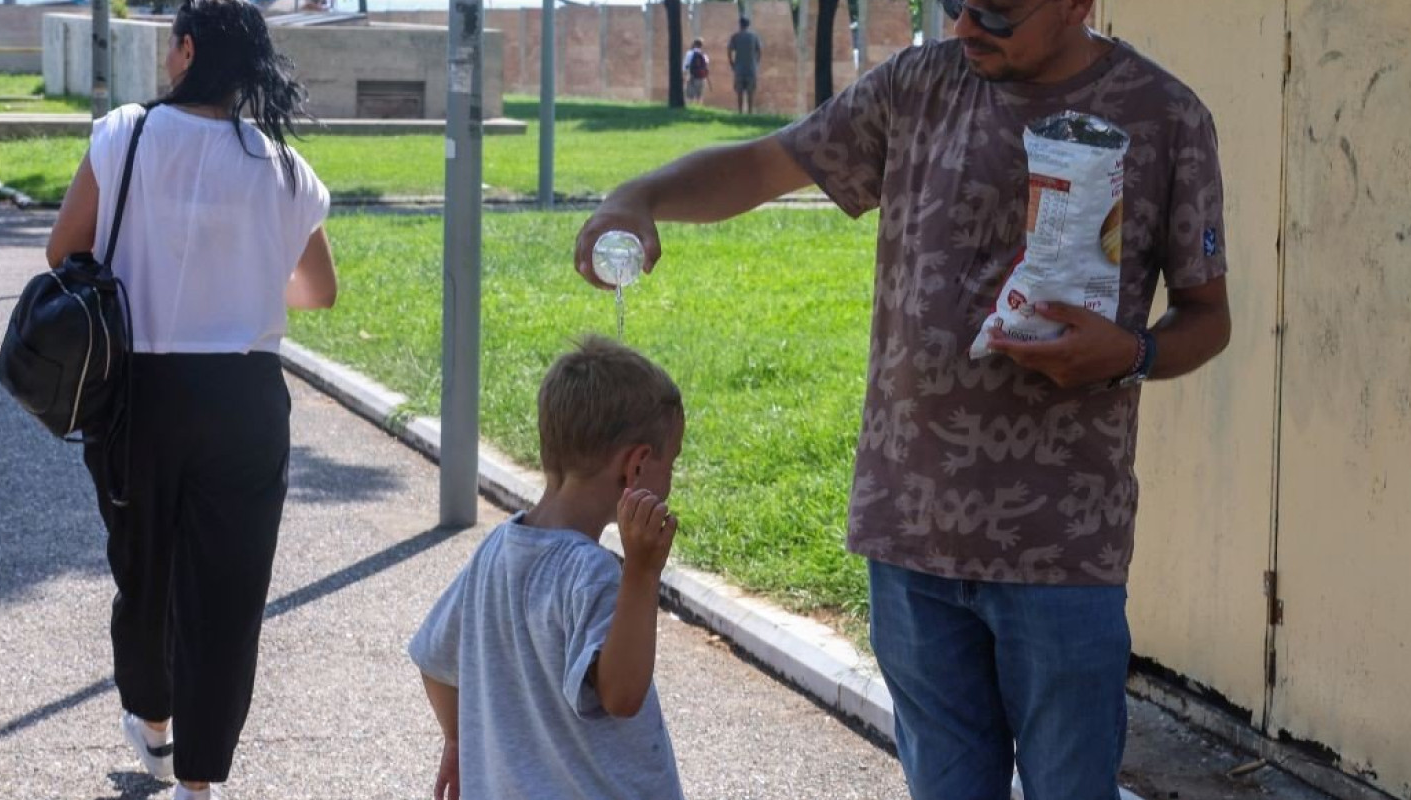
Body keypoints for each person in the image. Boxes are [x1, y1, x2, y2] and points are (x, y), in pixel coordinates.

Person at [573, 0, 1232, 797]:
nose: (963, 27)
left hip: (1061, 550)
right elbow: (766, 164)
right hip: (909, 542)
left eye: (993, 10)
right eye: (954, 3)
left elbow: (1208, 317)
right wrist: (639, 195)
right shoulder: (920, 85)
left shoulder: (1166, 116)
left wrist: (1133, 354)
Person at [44, 0, 335, 797]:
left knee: (145, 569)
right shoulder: (281, 164)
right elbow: (319, 290)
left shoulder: (124, 134)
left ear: (185, 52)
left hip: (140, 391)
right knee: (231, 594)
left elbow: (61, 250)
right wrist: (240, 277)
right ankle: (197, 785)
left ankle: (155, 722)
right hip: (245, 396)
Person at [409, 336, 686, 800]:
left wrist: (459, 740)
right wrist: (641, 573)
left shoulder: (497, 548)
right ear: (636, 466)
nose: (671, 478)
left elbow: (436, 662)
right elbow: (621, 694)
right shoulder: (591, 574)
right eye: (670, 462)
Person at [727, 17, 762, 114]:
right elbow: (759, 51)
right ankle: (750, 111)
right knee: (750, 92)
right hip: (751, 68)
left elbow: (729, 51)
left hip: (739, 68)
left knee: (739, 92)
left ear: (740, 24)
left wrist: (732, 63)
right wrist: (756, 63)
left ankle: (740, 111)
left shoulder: (735, 36)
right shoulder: (754, 37)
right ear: (748, 25)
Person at [683, 38, 710, 105]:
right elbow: (706, 66)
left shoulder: (689, 53)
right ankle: (699, 108)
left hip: (691, 76)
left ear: (694, 44)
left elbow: (685, 65)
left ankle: (689, 107)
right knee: (699, 95)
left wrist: (684, 75)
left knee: (689, 95)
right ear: (701, 45)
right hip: (701, 77)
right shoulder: (704, 55)